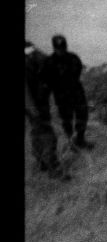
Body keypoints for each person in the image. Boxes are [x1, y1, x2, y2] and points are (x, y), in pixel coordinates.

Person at [44, 34, 90, 149]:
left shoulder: (73, 58)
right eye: (58, 48)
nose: (61, 50)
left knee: (82, 114)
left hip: (76, 92)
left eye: (63, 47)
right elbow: (48, 80)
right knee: (66, 119)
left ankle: (80, 139)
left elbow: (78, 71)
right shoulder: (49, 62)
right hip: (61, 96)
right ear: (54, 48)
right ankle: (71, 141)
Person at [24, 40, 62, 177]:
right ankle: (54, 169)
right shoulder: (34, 59)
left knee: (36, 133)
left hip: (34, 106)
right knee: (48, 136)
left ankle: (42, 164)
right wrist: (34, 111)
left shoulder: (32, 59)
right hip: (35, 107)